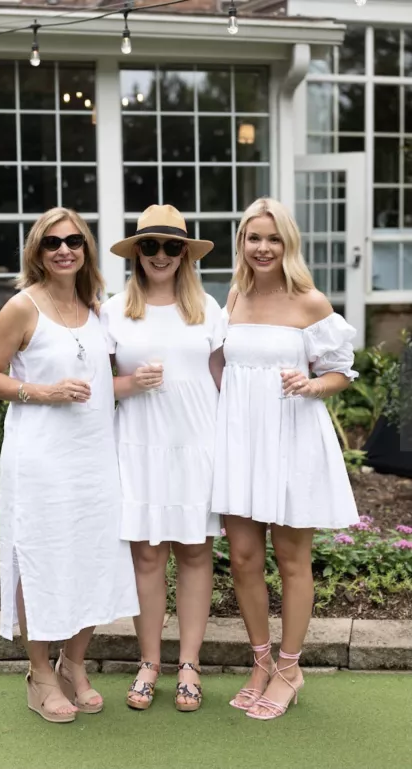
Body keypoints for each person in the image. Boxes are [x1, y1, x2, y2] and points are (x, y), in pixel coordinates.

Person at [0, 207, 139, 724]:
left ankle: (74, 663)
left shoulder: (97, 309)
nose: (64, 249)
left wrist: (147, 381)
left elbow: (100, 384)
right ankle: (40, 674)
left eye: (73, 240)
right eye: (52, 243)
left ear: (86, 248)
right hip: (40, 458)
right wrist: (42, 392)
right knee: (42, 558)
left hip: (94, 456)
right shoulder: (22, 308)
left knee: (94, 557)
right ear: (37, 252)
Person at [212, 197, 359, 721]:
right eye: (254, 238)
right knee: (246, 560)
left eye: (273, 239)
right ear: (242, 243)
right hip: (240, 442)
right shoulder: (232, 297)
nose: (263, 247)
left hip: (293, 437)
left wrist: (313, 381)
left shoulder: (310, 302)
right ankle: (260, 663)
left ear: (288, 244)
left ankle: (291, 668)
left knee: (293, 560)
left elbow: (342, 372)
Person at [101, 205, 224, 712]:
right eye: (149, 246)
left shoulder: (209, 309)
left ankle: (190, 665)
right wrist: (130, 384)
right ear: (136, 253)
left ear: (185, 254)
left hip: (198, 444)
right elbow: (93, 388)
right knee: (147, 556)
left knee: (196, 553)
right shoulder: (112, 310)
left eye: (172, 246)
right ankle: (149, 663)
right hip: (137, 445)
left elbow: (223, 380)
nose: (160, 255)